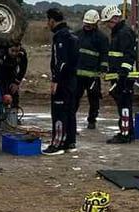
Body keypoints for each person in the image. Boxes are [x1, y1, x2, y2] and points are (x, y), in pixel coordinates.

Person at [44, 8, 79, 155]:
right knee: (70, 111)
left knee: (59, 112)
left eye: (48, 21)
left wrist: (55, 80)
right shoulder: (72, 34)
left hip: (63, 82)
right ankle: (70, 142)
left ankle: (57, 144)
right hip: (72, 81)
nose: (47, 24)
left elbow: (61, 61)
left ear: (52, 20)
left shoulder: (60, 36)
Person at [102, 5, 137, 144]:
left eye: (108, 22)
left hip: (125, 77)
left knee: (124, 105)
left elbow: (128, 57)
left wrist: (122, 76)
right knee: (122, 105)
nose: (107, 25)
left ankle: (125, 134)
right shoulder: (118, 32)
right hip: (120, 76)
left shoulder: (123, 33)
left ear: (114, 19)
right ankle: (127, 130)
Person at [75, 9, 109, 130]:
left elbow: (104, 55)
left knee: (94, 99)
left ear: (96, 23)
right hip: (77, 75)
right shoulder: (76, 34)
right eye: (86, 23)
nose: (87, 26)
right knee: (74, 98)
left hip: (93, 75)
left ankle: (92, 120)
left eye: (90, 24)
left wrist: (103, 68)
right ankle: (71, 120)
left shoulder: (102, 38)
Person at [0, 43, 29, 107]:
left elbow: (23, 68)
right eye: (12, 51)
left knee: (14, 92)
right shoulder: (1, 54)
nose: (14, 54)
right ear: (8, 49)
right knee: (0, 94)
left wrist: (17, 82)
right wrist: (5, 92)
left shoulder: (22, 53)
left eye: (16, 51)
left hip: (12, 71)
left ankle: (14, 109)